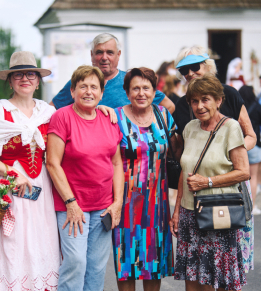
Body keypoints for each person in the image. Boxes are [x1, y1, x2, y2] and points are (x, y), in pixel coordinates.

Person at [0, 51, 60, 291]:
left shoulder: (48, 113)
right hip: (7, 187)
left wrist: (106, 109)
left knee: (41, 241)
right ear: (9, 81)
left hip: (42, 189)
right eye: (18, 75)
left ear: (38, 81)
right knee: (13, 244)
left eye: (30, 74)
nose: (25, 79)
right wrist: (11, 172)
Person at [173, 45, 255, 272]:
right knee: (198, 267)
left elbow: (250, 136)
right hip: (195, 192)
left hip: (229, 186)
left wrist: (228, 155)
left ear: (207, 65)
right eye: (183, 70)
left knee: (226, 262)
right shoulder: (182, 105)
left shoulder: (229, 94)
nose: (189, 73)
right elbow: (185, 152)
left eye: (193, 66)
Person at [46, 65, 124, 291]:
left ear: (101, 93)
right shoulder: (62, 117)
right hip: (72, 206)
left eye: (94, 87)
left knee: (97, 269)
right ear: (72, 91)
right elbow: (52, 162)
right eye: (83, 86)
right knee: (75, 263)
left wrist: (117, 202)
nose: (89, 92)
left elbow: (117, 162)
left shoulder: (109, 119)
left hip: (103, 207)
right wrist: (71, 203)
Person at [112, 67, 177, 291]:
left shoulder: (163, 115)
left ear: (154, 90)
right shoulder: (115, 117)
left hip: (157, 204)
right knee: (126, 264)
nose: (141, 93)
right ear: (127, 92)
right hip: (126, 202)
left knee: (154, 263)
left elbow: (180, 152)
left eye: (146, 88)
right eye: (135, 88)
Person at [50, 33, 175, 113]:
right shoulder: (79, 81)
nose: (104, 57)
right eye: (99, 52)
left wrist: (147, 127)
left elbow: (169, 106)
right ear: (92, 55)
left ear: (118, 55)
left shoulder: (131, 80)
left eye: (110, 52)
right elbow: (50, 110)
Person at [239, 85, 261, 215]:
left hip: (240, 144)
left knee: (241, 176)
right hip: (254, 144)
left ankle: (241, 203)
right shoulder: (257, 107)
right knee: (252, 176)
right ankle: (251, 206)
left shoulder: (239, 108)